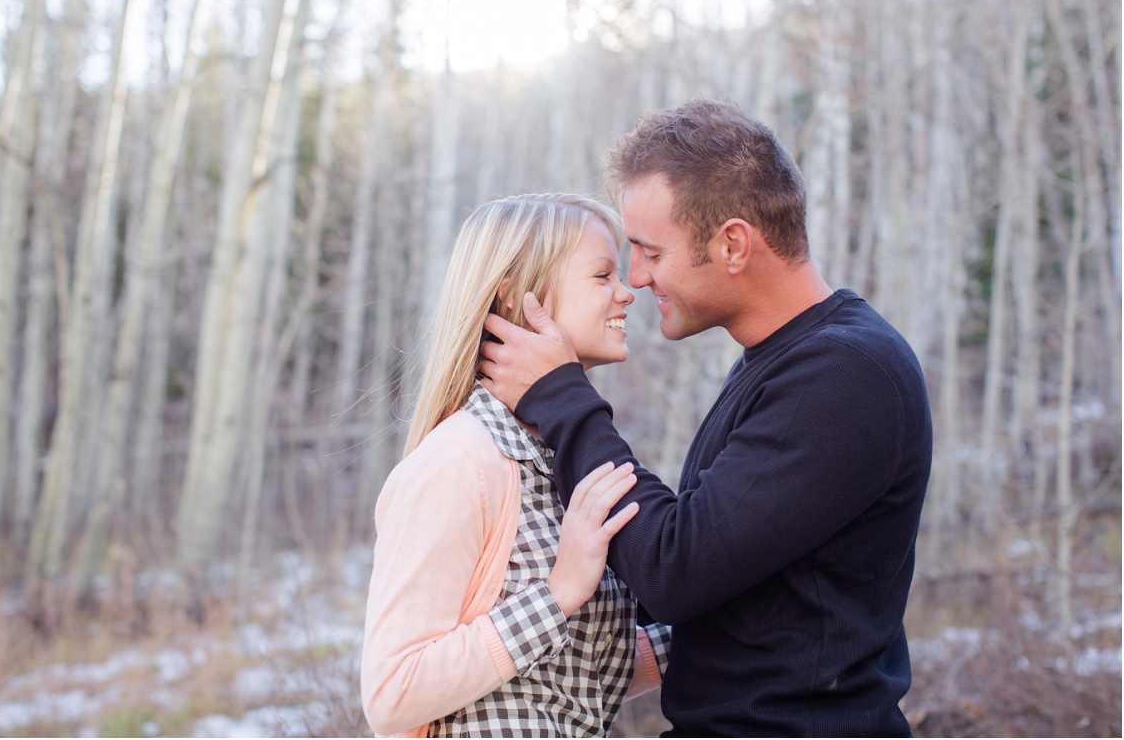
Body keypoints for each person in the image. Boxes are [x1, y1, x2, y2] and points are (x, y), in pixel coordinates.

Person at [478, 100, 933, 737]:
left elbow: (675, 570)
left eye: (651, 252)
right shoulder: (790, 360)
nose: (637, 278)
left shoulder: (846, 376)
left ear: (733, 244)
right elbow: (730, 584)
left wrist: (561, 399)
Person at [361, 194, 671, 738]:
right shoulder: (460, 461)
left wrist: (752, 620)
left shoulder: (561, 457)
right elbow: (393, 691)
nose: (627, 292)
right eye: (602, 276)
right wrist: (556, 594)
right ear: (517, 292)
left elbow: (577, 675)